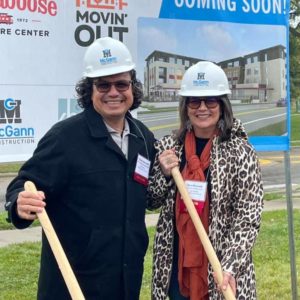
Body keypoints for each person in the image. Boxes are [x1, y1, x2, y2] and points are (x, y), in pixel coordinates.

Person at [5, 37, 155, 300]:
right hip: (73, 283)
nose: (113, 92)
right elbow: (24, 184)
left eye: (121, 84)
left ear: (132, 87)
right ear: (90, 90)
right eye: (103, 85)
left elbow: (152, 195)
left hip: (125, 280)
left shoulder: (143, 138)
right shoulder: (64, 137)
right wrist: (19, 202)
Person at [147, 61, 264, 300]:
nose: (202, 108)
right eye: (194, 101)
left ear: (222, 105)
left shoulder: (240, 152)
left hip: (223, 271)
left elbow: (248, 218)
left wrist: (229, 266)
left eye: (210, 100)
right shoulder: (170, 148)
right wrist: (164, 173)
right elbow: (151, 200)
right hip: (175, 269)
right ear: (185, 106)